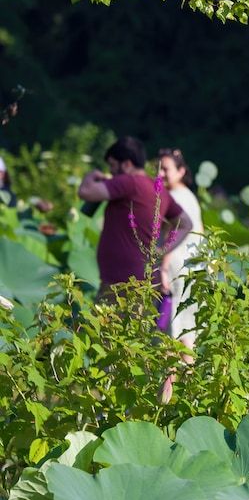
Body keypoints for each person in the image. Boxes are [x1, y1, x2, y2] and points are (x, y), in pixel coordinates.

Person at [76, 136, 193, 299]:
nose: (110, 172)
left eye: (112, 165)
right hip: (142, 283)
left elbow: (86, 192)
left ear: (127, 164)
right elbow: (186, 224)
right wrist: (162, 251)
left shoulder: (129, 182)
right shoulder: (159, 190)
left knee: (104, 324)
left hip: (120, 286)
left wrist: (92, 174)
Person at [158, 147, 205, 346]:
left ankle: (170, 379)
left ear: (181, 172)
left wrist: (163, 267)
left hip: (175, 268)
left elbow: (173, 233)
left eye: (165, 169)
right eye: (157, 168)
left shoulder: (173, 197)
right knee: (188, 334)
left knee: (170, 336)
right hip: (194, 269)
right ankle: (189, 376)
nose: (159, 174)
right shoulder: (190, 196)